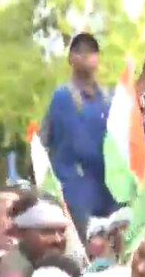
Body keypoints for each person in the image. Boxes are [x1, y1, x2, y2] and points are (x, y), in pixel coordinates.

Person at [42, 32, 115, 238]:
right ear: (71, 59)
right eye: (80, 51)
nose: (87, 56)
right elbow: (79, 145)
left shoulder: (107, 97)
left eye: (92, 51)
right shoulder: (63, 96)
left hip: (107, 189)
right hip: (76, 190)